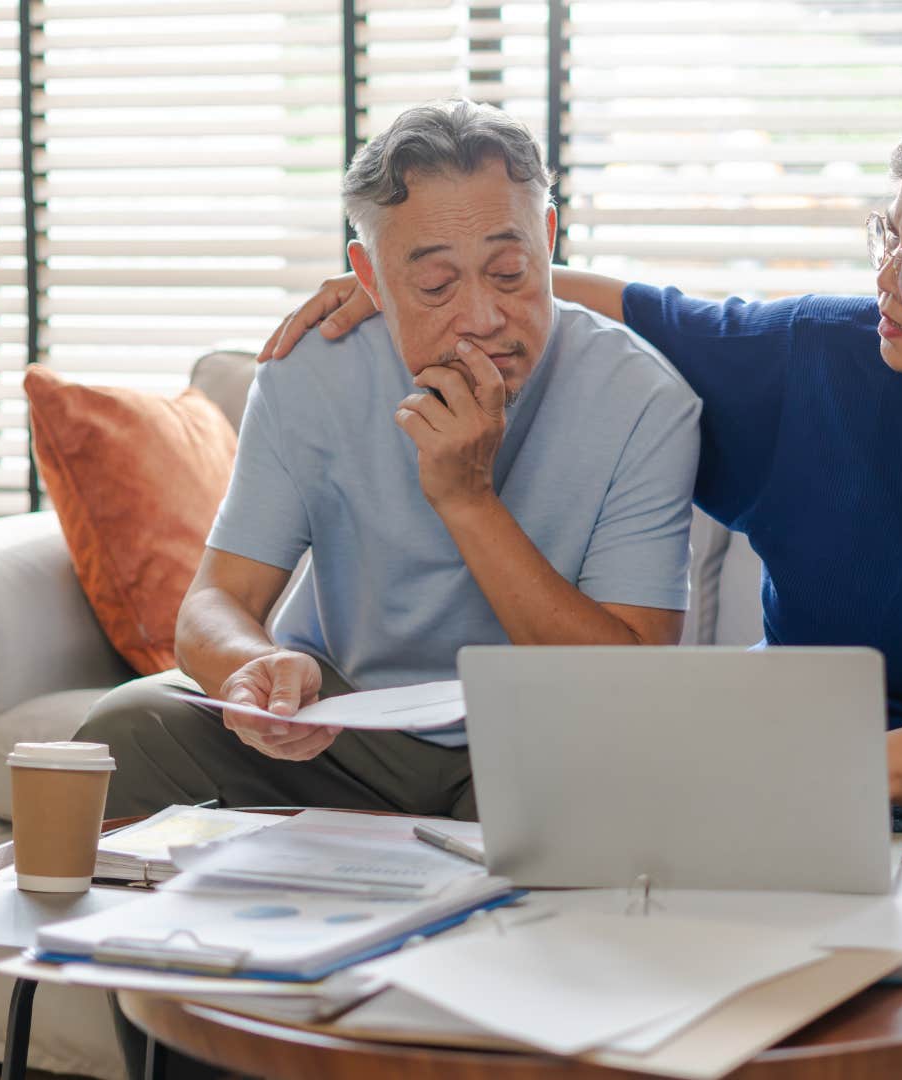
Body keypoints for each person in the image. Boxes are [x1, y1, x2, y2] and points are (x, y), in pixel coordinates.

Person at [263, 77, 902, 1080]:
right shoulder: (817, 358)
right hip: (812, 755)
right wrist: (420, 290)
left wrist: (837, 776)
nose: (887, 285)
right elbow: (621, 310)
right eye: (889, 241)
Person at [74, 99, 700, 826]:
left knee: (610, 793)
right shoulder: (309, 372)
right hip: (338, 722)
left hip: (534, 734)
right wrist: (255, 669)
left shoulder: (644, 400)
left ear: (549, 237)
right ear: (369, 277)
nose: (483, 317)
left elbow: (629, 683)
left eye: (508, 271)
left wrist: (468, 499)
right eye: (435, 286)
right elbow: (215, 604)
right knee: (127, 731)